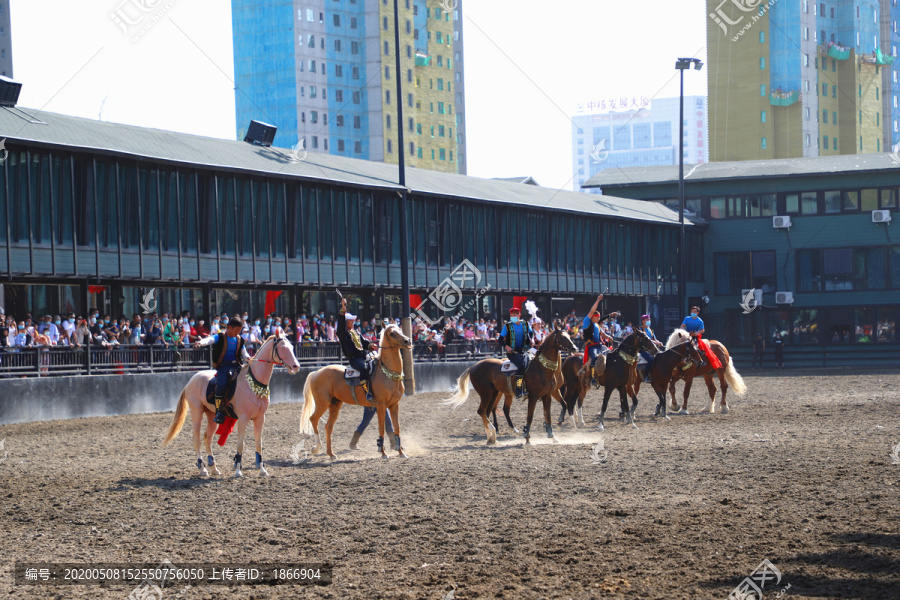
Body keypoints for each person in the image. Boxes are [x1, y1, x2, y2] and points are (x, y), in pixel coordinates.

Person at [195, 316, 250, 424]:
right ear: (229, 327)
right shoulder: (219, 337)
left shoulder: (240, 340)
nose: (238, 333)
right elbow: (209, 340)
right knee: (222, 385)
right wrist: (200, 343)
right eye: (236, 330)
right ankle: (219, 410)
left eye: (239, 331)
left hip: (238, 366)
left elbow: (244, 354)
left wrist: (248, 358)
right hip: (224, 367)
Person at [578, 295, 616, 387]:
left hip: (600, 345)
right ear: (593, 317)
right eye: (598, 317)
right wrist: (598, 300)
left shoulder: (597, 325)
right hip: (591, 346)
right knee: (595, 359)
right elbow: (592, 310)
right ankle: (593, 378)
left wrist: (609, 337)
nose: (599, 319)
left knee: (611, 354)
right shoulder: (587, 322)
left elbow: (603, 335)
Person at [498, 306, 534, 397]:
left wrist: (532, 340)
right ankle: (518, 389)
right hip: (513, 352)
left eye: (515, 315)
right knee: (521, 366)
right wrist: (506, 346)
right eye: (511, 315)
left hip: (525, 350)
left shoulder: (525, 324)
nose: (513, 316)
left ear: (519, 315)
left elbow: (530, 333)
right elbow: (500, 339)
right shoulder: (507, 326)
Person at [638, 314, 665, 382]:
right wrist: (655, 342)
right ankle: (646, 376)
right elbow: (644, 340)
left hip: (652, 348)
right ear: (643, 321)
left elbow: (654, 339)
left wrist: (659, 342)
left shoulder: (651, 330)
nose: (649, 321)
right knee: (650, 360)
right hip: (643, 349)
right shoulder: (640, 329)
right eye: (647, 320)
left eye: (649, 320)